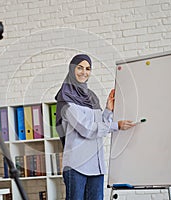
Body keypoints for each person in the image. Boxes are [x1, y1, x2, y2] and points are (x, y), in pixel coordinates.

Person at [55, 54, 135, 200]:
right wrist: (116, 125)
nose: (84, 72)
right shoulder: (65, 100)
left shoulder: (91, 97)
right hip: (76, 166)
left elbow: (100, 124)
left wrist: (108, 110)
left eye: (88, 69)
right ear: (72, 69)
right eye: (80, 68)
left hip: (96, 166)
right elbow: (87, 129)